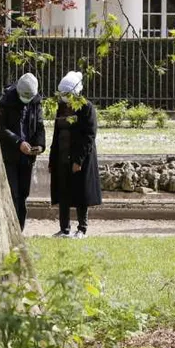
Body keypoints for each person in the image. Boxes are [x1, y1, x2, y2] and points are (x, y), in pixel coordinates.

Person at [49, 71, 102, 238]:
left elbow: (89, 136)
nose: (64, 97)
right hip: (62, 155)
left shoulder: (86, 108)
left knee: (80, 193)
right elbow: (56, 134)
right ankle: (64, 228)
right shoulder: (61, 108)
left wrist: (78, 159)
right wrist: (52, 158)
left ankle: (82, 228)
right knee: (63, 192)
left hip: (80, 158)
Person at [0, 72, 46, 230]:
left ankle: (20, 229)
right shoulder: (5, 101)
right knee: (13, 193)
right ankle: (10, 228)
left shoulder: (35, 102)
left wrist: (40, 145)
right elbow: (1, 128)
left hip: (27, 156)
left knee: (23, 194)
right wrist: (18, 142)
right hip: (10, 155)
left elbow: (39, 125)